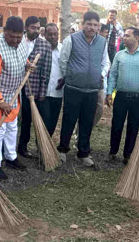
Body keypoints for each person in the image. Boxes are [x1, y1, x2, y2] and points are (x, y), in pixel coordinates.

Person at [58, 11, 110, 167]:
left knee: (87, 122)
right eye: (89, 24)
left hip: (92, 90)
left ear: (98, 26)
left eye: (95, 25)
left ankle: (83, 153)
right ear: (83, 24)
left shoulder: (102, 42)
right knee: (69, 119)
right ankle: (63, 149)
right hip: (73, 88)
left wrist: (100, 74)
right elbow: (63, 61)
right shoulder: (71, 39)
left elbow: (105, 62)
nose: (92, 27)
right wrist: (72, 76)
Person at [0, 16, 29, 180]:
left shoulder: (21, 41)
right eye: (12, 37)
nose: (16, 40)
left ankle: (11, 157)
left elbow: (21, 57)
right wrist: (0, 101)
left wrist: (28, 64)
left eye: (19, 36)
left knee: (11, 128)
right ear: (5, 32)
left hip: (13, 95)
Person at [106, 27, 139, 165]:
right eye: (124, 36)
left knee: (133, 127)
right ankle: (112, 152)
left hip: (137, 98)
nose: (124, 38)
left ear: (137, 38)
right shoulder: (119, 55)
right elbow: (113, 75)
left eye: (127, 36)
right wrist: (110, 92)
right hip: (120, 96)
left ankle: (128, 154)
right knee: (116, 125)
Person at [17, 16, 52, 158]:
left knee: (28, 120)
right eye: (33, 28)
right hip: (16, 87)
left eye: (38, 28)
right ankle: (12, 146)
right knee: (15, 120)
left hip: (34, 91)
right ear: (26, 28)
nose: (36, 31)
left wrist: (42, 92)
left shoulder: (45, 45)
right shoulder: (17, 42)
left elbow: (46, 71)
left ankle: (26, 147)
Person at [42, 23, 63, 139]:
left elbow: (67, 68)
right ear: (45, 35)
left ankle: (46, 146)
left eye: (56, 34)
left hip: (58, 92)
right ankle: (41, 144)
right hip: (43, 93)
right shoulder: (40, 48)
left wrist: (64, 80)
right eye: (50, 34)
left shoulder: (63, 49)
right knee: (44, 120)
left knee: (53, 122)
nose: (53, 37)